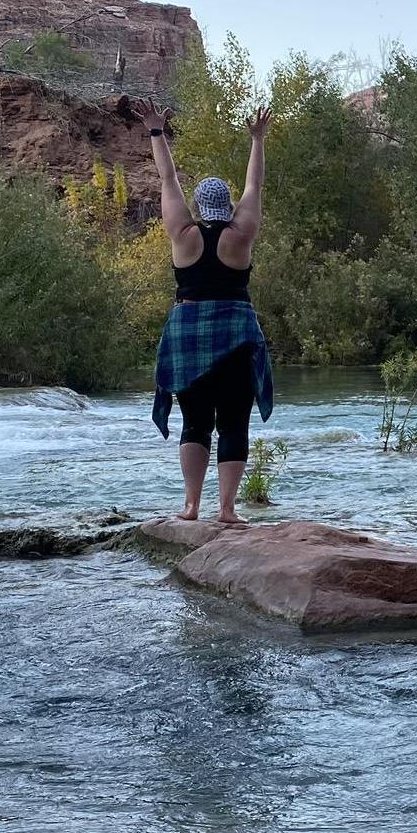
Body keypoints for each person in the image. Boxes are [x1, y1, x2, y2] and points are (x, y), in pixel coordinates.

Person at [135, 98, 274, 525]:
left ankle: (191, 507)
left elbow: (167, 178)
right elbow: (255, 188)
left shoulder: (182, 232)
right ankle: (227, 510)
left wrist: (157, 132)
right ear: (228, 205)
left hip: (188, 334)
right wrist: (257, 139)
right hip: (235, 333)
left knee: (195, 421)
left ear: (198, 205)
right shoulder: (241, 233)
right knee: (234, 420)